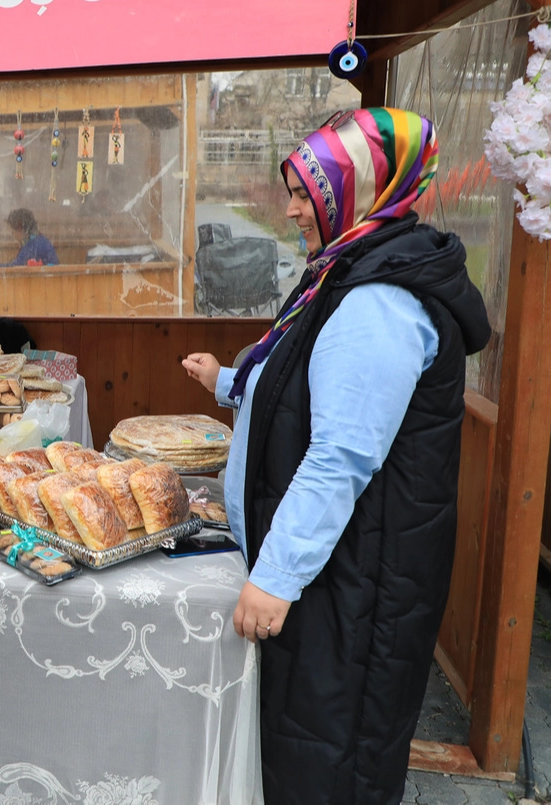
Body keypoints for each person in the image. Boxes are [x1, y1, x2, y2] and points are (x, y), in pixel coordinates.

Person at [181, 108, 490, 805]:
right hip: (341, 569)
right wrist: (226, 382)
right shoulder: (347, 269)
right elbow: (299, 382)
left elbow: (339, 454)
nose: (290, 209)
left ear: (353, 193)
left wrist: (275, 574)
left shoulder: (377, 299)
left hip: (353, 581)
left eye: (302, 193)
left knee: (327, 757)